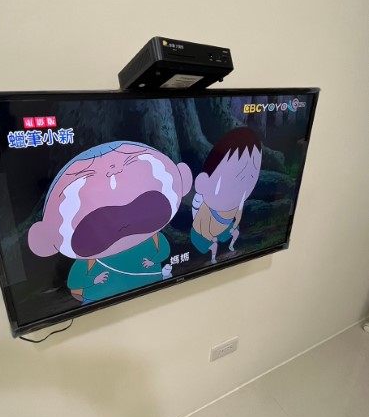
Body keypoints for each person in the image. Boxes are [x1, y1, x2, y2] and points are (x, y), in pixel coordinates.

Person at [28, 141, 192, 304]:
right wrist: (94, 280)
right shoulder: (89, 261)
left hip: (154, 284)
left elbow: (164, 251)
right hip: (100, 300)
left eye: (143, 206)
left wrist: (154, 261)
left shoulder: (154, 239)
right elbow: (75, 283)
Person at [191, 127, 262, 263]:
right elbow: (202, 226)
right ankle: (213, 259)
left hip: (223, 229)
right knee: (213, 245)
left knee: (235, 232)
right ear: (204, 181)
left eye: (251, 178)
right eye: (236, 178)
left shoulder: (236, 204)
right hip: (201, 235)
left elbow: (237, 215)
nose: (241, 189)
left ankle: (231, 246)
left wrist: (234, 226)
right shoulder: (206, 209)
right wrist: (210, 237)